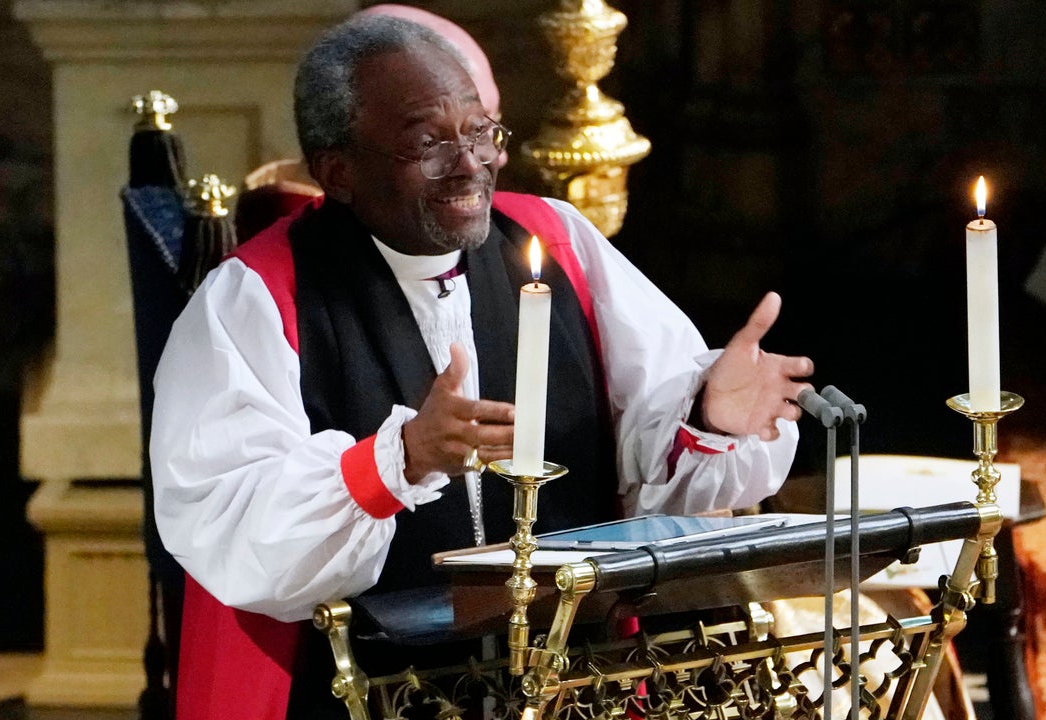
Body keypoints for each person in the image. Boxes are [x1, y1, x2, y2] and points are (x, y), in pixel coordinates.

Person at [149, 13, 813, 720]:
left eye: (479, 131)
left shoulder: (557, 241)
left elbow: (646, 461)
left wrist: (710, 414)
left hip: (566, 685)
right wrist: (394, 461)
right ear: (336, 170)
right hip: (356, 692)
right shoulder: (255, 296)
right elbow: (230, 521)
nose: (470, 163)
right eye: (428, 141)